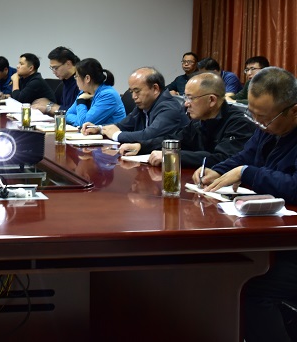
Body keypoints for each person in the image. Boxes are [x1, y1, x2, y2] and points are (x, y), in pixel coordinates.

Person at [192, 67, 297, 342]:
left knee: (249, 287)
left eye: (264, 118)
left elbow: (294, 186)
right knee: (215, 269)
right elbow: (245, 156)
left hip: (292, 247)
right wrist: (217, 171)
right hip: (272, 236)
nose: (258, 124)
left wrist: (247, 173)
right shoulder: (268, 129)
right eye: (253, 115)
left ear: (293, 111)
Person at [120, 72, 254, 167]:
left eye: (191, 98)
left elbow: (221, 158)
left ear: (212, 100)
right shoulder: (199, 120)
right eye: (185, 97)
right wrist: (141, 146)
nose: (186, 103)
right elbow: (175, 139)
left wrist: (172, 156)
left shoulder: (239, 123)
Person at [83, 67, 188, 143]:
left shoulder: (169, 108)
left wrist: (116, 135)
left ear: (155, 88)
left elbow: (149, 136)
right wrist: (99, 129)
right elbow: (122, 126)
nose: (133, 96)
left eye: (137, 91)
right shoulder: (143, 106)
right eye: (131, 91)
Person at [65, 58, 125, 127]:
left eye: (76, 76)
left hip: (108, 134)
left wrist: (81, 101)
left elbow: (84, 123)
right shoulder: (84, 92)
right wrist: (79, 121)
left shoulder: (108, 96)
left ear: (87, 78)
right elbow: (67, 115)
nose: (75, 79)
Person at [32, 46, 80, 116]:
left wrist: (48, 108)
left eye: (56, 68)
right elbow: (60, 106)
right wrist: (49, 105)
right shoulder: (65, 82)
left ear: (68, 64)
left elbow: (76, 112)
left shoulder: (81, 83)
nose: (53, 72)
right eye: (52, 68)